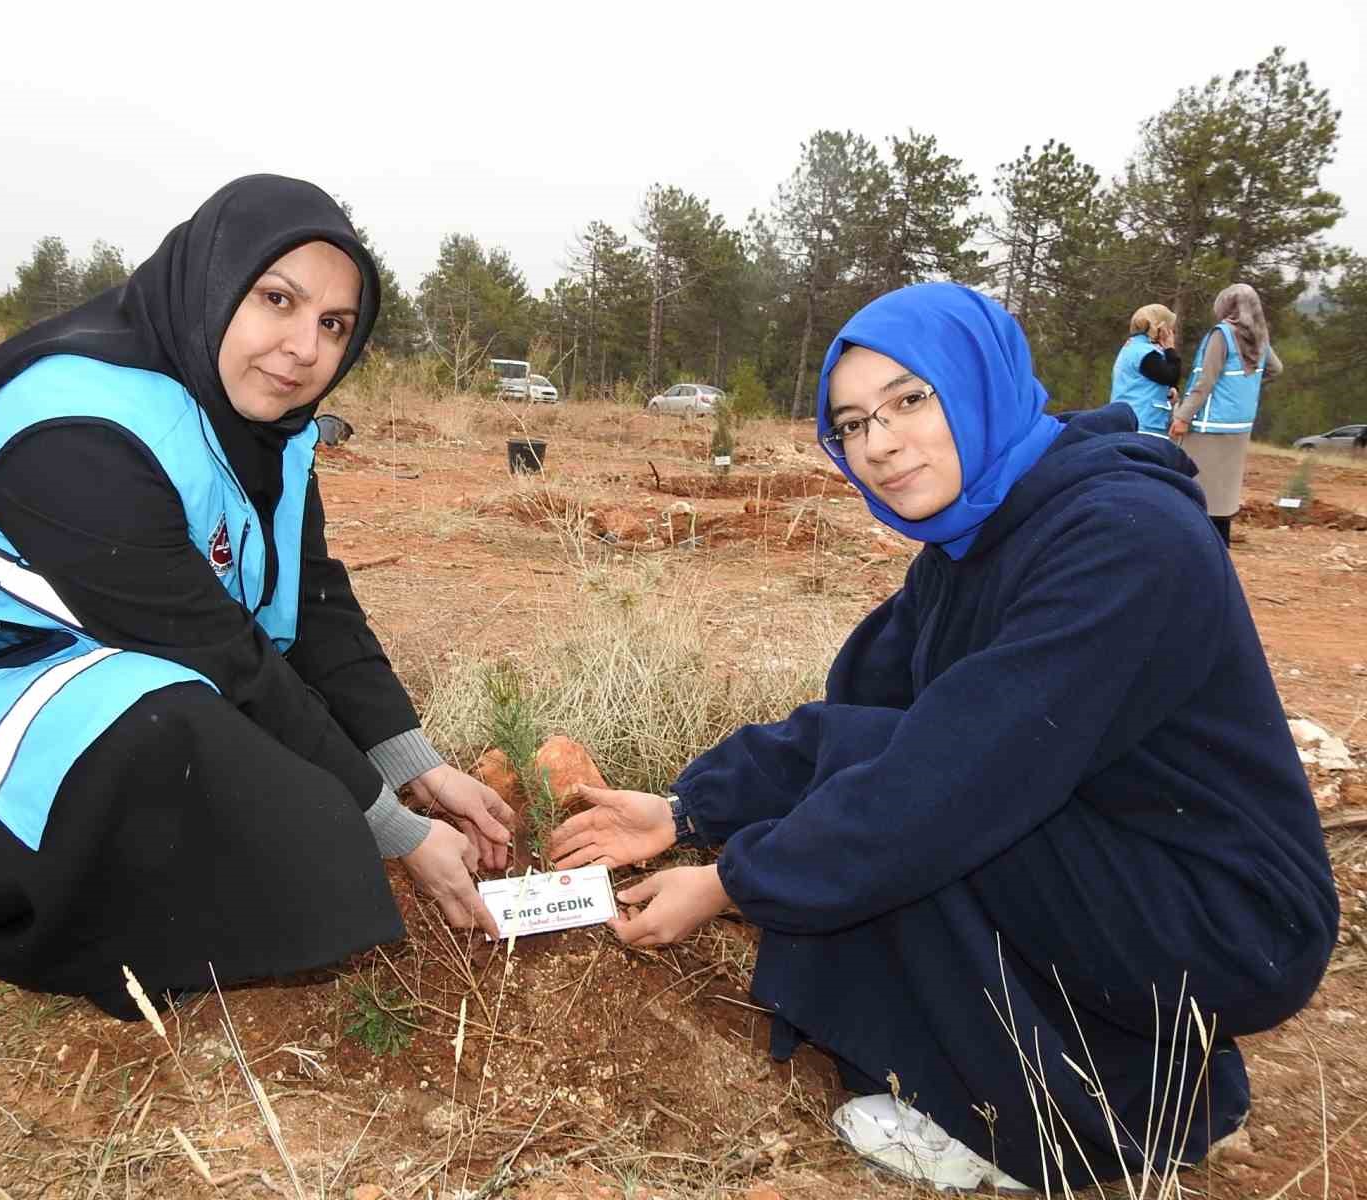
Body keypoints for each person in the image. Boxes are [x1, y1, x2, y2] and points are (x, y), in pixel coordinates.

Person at [551, 283, 1336, 1190]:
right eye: (850, 424)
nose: (878, 443)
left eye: (909, 400)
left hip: (1223, 918)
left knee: (933, 817)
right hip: (1125, 868)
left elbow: (952, 779)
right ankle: (1118, 1076)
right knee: (900, 779)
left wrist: (736, 881)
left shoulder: (1125, 538)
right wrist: (688, 807)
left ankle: (1038, 1132)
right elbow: (860, 719)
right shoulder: (977, 542)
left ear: (978, 382)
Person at [0, 175, 513, 1019]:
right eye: (277, 299)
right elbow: (219, 653)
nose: (305, 347)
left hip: (104, 665)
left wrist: (421, 771)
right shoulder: (76, 433)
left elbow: (317, 605)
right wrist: (395, 831)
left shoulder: (269, 430)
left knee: (273, 784)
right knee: (215, 759)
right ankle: (29, 914)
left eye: (333, 324)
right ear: (213, 283)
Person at [1170, 284, 1283, 546]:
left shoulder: (1221, 335)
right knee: (1224, 494)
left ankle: (1199, 549)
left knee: (1199, 489)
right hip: (1240, 425)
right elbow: (1276, 369)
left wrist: (1183, 416)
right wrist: (1244, 387)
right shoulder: (1259, 337)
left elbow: (1204, 381)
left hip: (1211, 426)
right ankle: (1222, 547)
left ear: (1227, 306)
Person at [1109, 303, 1180, 437]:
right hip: (1145, 424)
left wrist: (1168, 391)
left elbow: (1145, 381)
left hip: (1125, 421)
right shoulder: (1147, 353)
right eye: (1169, 328)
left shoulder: (1131, 348)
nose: (1172, 331)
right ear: (1162, 328)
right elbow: (1172, 376)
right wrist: (1170, 348)